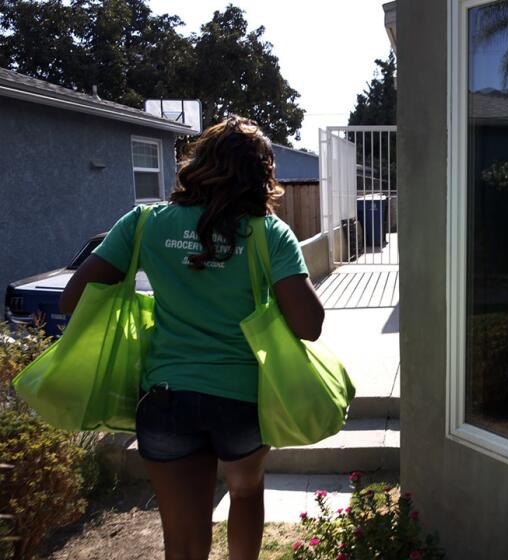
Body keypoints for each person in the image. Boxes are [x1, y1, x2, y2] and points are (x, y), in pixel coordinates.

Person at [59, 116, 325, 560]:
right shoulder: (268, 233)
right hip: (242, 401)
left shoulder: (144, 223)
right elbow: (309, 325)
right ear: (261, 174)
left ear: (199, 164)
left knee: (183, 540)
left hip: (167, 400)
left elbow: (72, 299)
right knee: (245, 490)